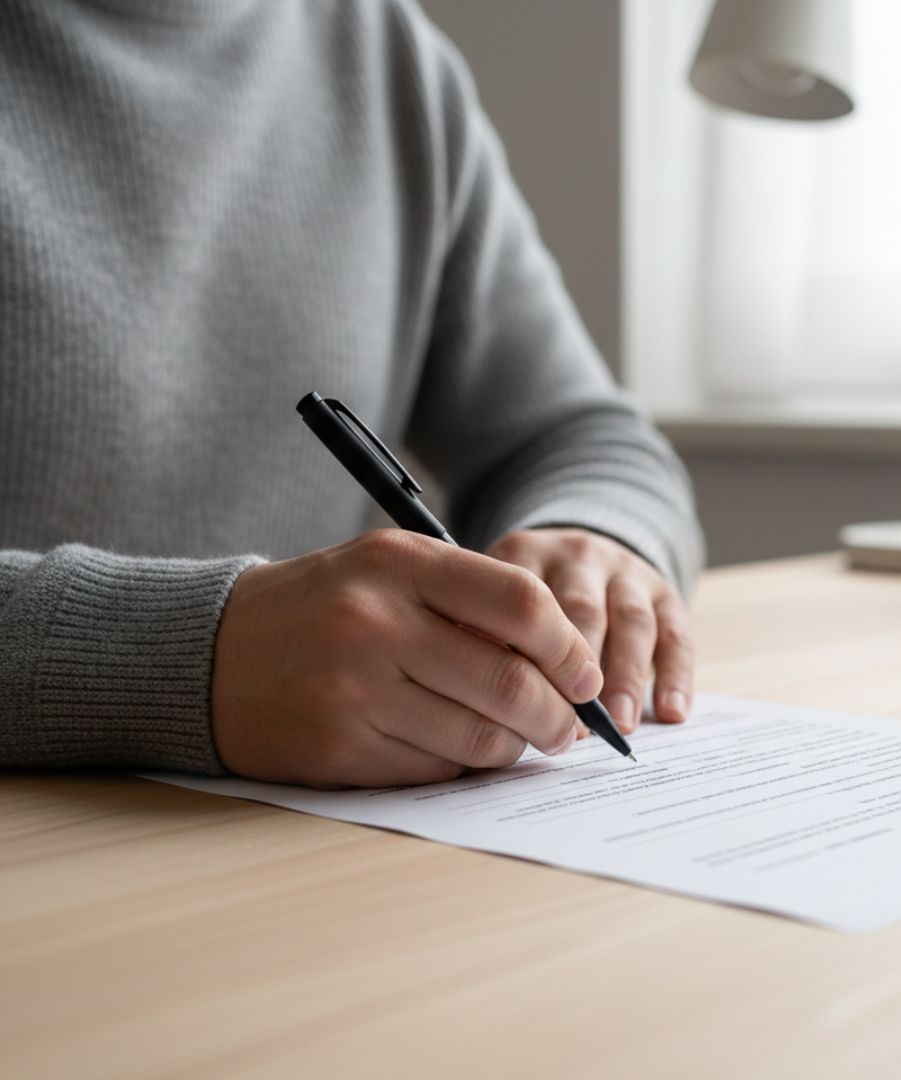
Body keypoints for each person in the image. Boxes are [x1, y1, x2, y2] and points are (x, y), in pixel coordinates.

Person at [0, 0, 702, 788]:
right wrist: (184, 654)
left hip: (304, 855)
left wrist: (589, 541)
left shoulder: (380, 48)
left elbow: (581, 438)